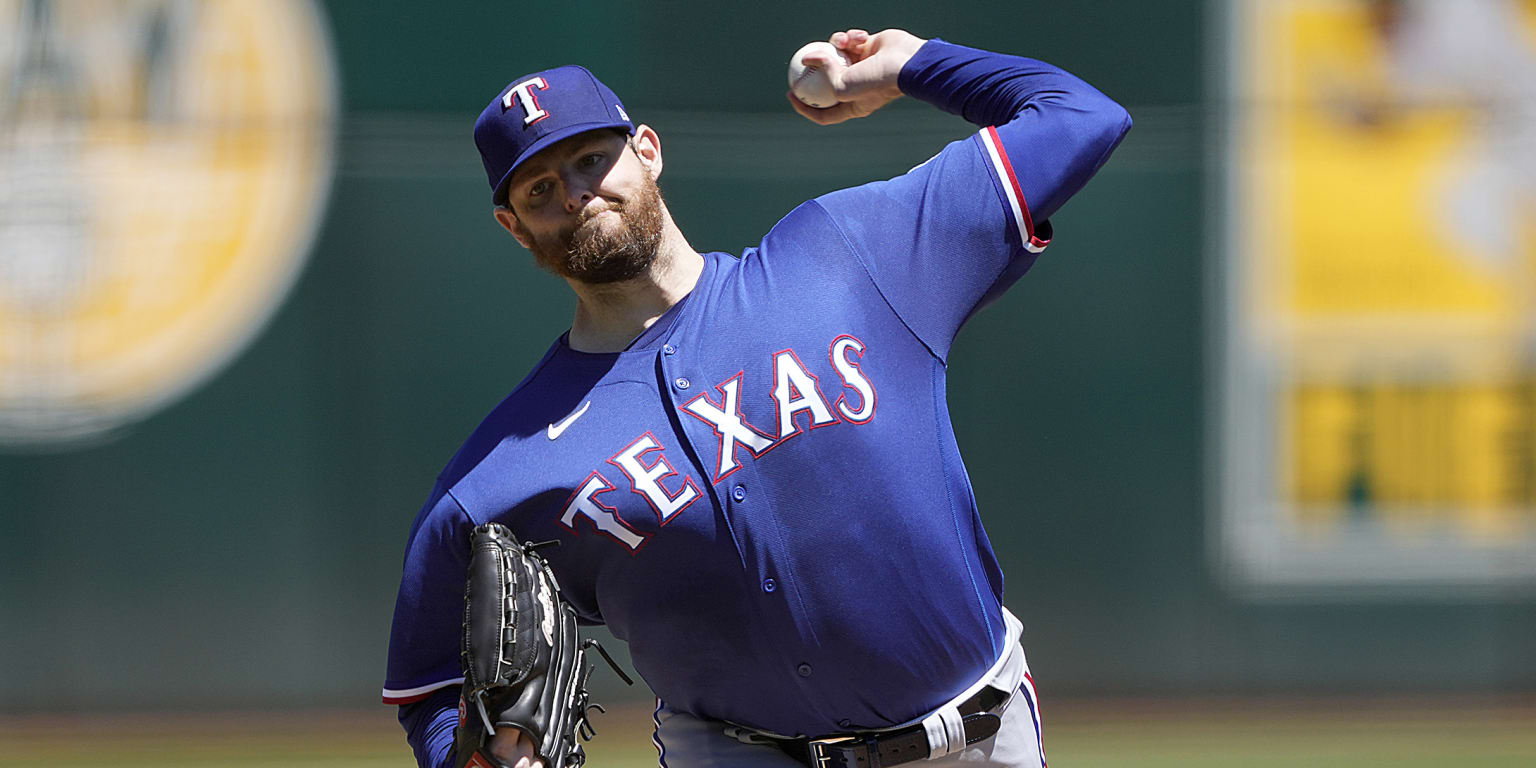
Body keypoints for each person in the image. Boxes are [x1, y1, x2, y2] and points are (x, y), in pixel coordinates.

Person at [383, 28, 1130, 768]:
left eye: (591, 158)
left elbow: (1079, 116)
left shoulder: (852, 252)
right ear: (513, 227)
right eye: (540, 188)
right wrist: (475, 761)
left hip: (975, 737)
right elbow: (428, 689)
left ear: (647, 150)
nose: (578, 193)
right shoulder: (498, 475)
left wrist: (912, 68)